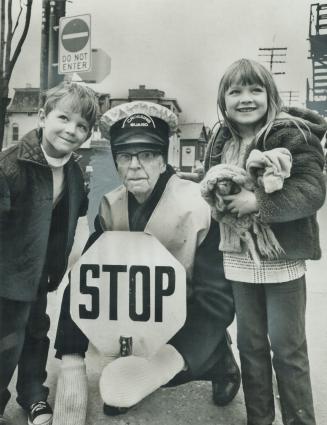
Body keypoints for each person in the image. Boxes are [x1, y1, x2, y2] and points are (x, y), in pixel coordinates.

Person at [52, 100, 241, 425]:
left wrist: (163, 364)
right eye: (125, 156)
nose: (135, 166)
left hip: (190, 314)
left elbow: (219, 300)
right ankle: (132, 370)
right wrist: (71, 354)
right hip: (139, 317)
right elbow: (86, 281)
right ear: (115, 160)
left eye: (147, 154)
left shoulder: (198, 204)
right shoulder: (111, 205)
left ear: (163, 156)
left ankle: (220, 361)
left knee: (169, 372)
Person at [202, 58, 326, 425]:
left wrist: (258, 201)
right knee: (250, 346)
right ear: (223, 100)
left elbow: (311, 189)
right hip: (239, 258)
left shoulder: (291, 134)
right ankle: (259, 419)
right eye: (235, 91)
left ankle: (299, 421)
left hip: (282, 259)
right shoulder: (221, 139)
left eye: (255, 89)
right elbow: (209, 180)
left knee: (287, 349)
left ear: (270, 96)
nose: (245, 98)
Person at [0, 82, 98, 425]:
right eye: (64, 118)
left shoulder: (72, 171)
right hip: (6, 274)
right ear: (43, 117)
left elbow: (73, 216)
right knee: (4, 341)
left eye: (82, 125)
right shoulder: (11, 164)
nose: (71, 130)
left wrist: (61, 264)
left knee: (36, 334)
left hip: (39, 272)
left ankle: (33, 395)